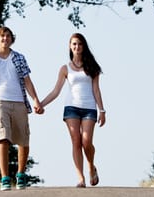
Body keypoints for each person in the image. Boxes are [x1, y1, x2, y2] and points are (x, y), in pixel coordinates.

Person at [0, 26, 44, 191]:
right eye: (2, 36)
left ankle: (21, 175)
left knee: (23, 139)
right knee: (3, 138)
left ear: (11, 39)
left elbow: (27, 81)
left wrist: (36, 100)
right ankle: (5, 178)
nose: (5, 38)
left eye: (8, 36)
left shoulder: (19, 58)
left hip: (19, 102)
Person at [41, 33, 106, 188]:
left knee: (86, 142)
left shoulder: (92, 67)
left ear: (84, 47)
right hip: (71, 108)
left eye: (80, 44)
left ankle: (91, 166)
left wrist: (102, 110)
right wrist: (41, 104)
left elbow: (96, 90)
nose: (77, 47)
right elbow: (56, 91)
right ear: (70, 46)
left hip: (89, 108)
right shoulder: (65, 68)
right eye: (74, 44)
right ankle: (80, 178)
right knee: (76, 142)